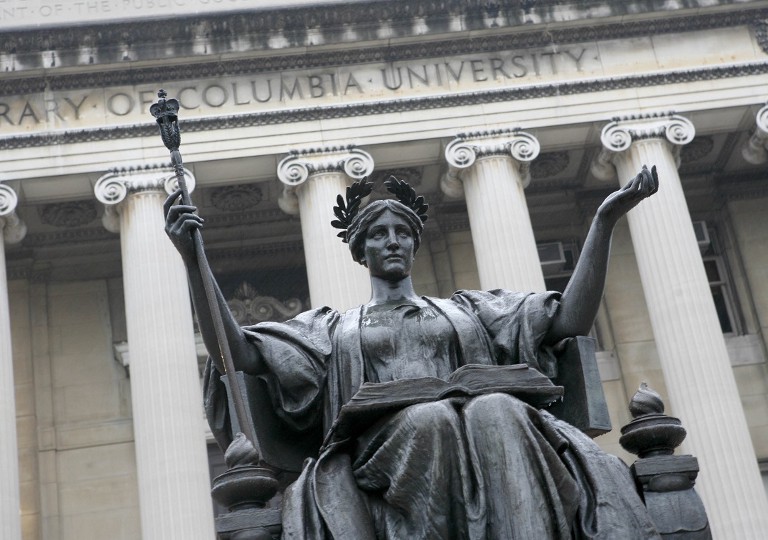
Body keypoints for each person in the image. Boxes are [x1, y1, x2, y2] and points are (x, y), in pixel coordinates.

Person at [165, 166, 662, 539]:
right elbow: (237, 353)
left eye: (402, 233)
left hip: (476, 425)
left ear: (414, 244)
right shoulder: (331, 329)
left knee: (499, 409)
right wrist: (193, 260)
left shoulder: (469, 310)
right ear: (361, 250)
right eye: (379, 234)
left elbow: (568, 320)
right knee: (430, 419)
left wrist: (603, 222)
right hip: (380, 448)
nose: (393, 242)